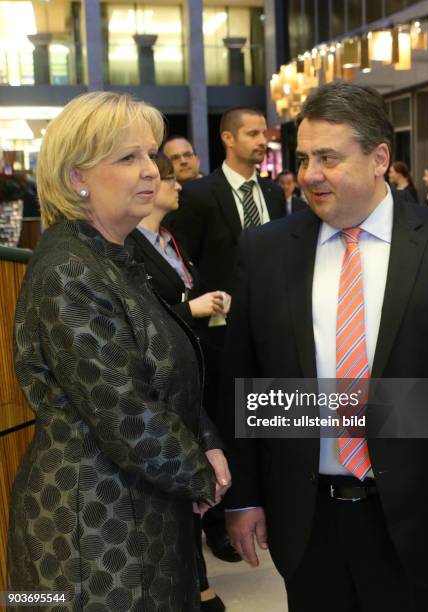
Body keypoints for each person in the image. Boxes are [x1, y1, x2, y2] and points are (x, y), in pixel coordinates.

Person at [220, 81, 428, 612]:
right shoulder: (267, 250)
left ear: (379, 158)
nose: (310, 174)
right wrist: (245, 495)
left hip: (420, 515)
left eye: (328, 157)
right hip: (308, 519)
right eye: (303, 158)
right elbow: (247, 378)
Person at [8, 91, 231, 612]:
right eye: (127, 158)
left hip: (138, 513)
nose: (150, 171)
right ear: (75, 178)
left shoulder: (118, 253)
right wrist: (203, 474)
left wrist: (206, 439)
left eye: (150, 155)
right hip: (88, 535)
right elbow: (126, 413)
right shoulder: (69, 269)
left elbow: (169, 370)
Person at [166, 106, 286, 563]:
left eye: (264, 133)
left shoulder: (273, 193)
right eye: (253, 133)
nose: (262, 141)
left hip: (269, 328)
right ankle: (219, 521)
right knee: (223, 424)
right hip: (216, 335)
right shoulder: (198, 195)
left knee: (267, 415)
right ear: (228, 139)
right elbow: (182, 263)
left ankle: (267, 505)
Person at [126, 153, 229, 611]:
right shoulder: (125, 249)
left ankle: (200, 572)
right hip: (160, 387)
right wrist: (193, 309)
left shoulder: (171, 238)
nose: (178, 186)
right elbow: (146, 325)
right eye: (171, 178)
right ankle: (199, 584)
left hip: (197, 368)